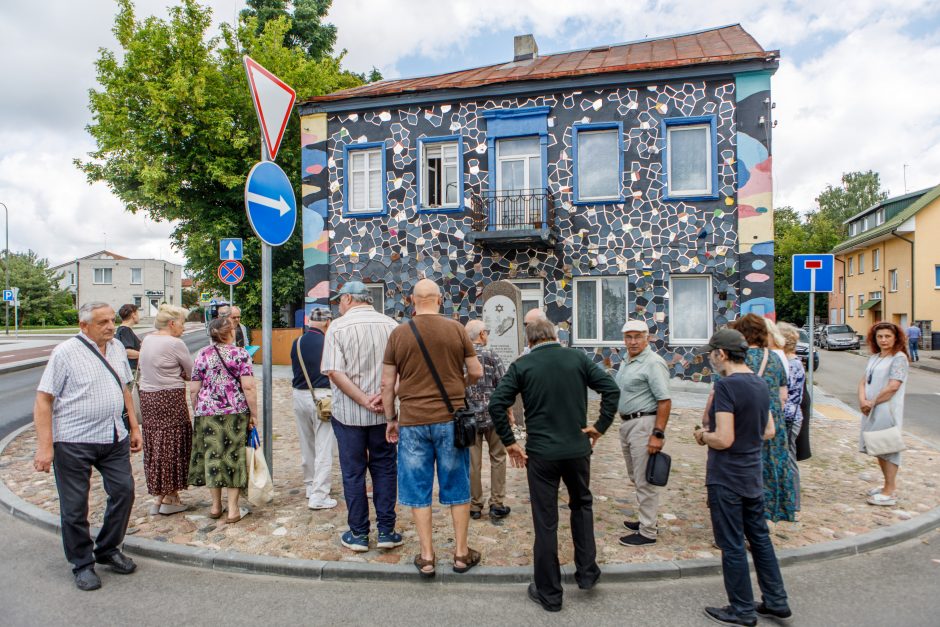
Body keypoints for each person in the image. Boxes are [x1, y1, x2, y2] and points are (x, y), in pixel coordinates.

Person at [489, 318, 620, 612]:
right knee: (582, 505)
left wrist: (510, 442)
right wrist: (599, 426)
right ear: (554, 335)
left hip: (542, 453)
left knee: (546, 521)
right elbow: (611, 389)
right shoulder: (577, 358)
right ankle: (586, 572)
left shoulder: (523, 366)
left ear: (530, 340)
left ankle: (550, 593)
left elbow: (497, 403)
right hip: (577, 449)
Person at [32, 302, 143, 591]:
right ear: (84, 326)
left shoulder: (117, 347)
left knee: (124, 491)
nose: (110, 326)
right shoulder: (65, 353)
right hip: (73, 440)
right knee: (75, 507)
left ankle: (107, 548)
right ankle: (82, 563)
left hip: (113, 435)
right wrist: (45, 447)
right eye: (102, 322)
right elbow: (44, 400)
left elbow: (124, 388)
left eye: (111, 320)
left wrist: (133, 427)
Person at [382, 279, 483, 577]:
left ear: (413, 300)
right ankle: (462, 553)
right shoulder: (456, 329)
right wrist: (456, 387)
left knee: (417, 487)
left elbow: (387, 383)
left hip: (412, 421)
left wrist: (391, 418)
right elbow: (476, 371)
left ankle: (427, 556)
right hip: (450, 419)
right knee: (457, 484)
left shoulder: (399, 334)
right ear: (440, 300)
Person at [694, 328, 791, 626]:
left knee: (733, 544)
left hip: (727, 475)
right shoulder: (761, 384)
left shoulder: (727, 386)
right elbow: (769, 431)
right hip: (752, 473)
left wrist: (702, 435)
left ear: (721, 354)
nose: (711, 359)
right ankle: (776, 600)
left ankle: (742, 609)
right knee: (759, 538)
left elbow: (723, 438)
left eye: (712, 354)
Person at [321, 281, 402, 552]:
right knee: (385, 469)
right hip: (384, 414)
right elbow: (403, 370)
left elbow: (334, 371)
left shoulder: (338, 327)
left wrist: (362, 399)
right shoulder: (391, 325)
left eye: (339, 301)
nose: (339, 306)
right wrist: (384, 395)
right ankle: (387, 531)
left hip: (349, 415)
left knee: (353, 473)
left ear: (347, 299)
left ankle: (358, 533)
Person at [187, 317, 257, 523]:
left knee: (212, 457)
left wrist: (198, 409)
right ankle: (233, 509)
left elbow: (193, 388)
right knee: (232, 458)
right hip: (234, 412)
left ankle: (215, 506)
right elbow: (249, 387)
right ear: (230, 332)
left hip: (207, 412)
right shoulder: (240, 354)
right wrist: (254, 414)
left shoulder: (202, 354)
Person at [728, 314, 795, 523]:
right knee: (768, 468)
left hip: (744, 419)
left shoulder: (738, 358)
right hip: (772, 419)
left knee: (741, 471)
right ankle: (765, 518)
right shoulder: (775, 357)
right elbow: (784, 394)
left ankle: (741, 521)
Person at [615, 320, 672, 546]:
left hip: (644, 422)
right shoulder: (628, 361)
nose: (633, 341)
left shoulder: (653, 363)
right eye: (628, 337)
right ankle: (645, 519)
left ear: (647, 337)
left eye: (637, 336)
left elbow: (664, 400)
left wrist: (657, 433)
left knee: (645, 480)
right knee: (636, 476)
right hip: (629, 423)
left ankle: (648, 531)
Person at [138, 304, 193, 516]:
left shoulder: (148, 340)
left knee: (157, 443)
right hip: (169, 396)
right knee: (173, 442)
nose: (184, 327)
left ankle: (163, 495)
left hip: (149, 397)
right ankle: (168, 496)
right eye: (182, 323)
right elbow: (191, 372)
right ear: (172, 323)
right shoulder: (174, 343)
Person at [464, 319, 511, 521]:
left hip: (469, 418)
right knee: (498, 458)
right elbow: (504, 387)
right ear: (482, 334)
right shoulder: (492, 356)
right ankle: (496, 503)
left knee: (473, 464)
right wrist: (509, 413)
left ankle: (475, 506)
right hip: (494, 416)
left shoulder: (461, 358)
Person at [859, 322, 910, 506]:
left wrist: (872, 403)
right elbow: (864, 381)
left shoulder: (899, 358)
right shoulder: (875, 357)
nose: (883, 340)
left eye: (887, 336)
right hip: (871, 409)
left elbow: (893, 386)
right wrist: (862, 400)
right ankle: (886, 486)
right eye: (880, 336)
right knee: (878, 448)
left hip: (886, 409)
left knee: (888, 448)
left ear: (896, 338)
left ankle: (890, 491)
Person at [291, 308, 337, 509]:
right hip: (322, 397)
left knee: (306, 443)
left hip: (299, 395)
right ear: (327, 323)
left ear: (310, 321)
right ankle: (320, 494)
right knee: (324, 446)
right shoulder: (328, 342)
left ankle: (310, 485)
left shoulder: (297, 342)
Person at [778, 322, 805, 511]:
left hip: (788, 417)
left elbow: (790, 396)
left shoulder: (793, 364)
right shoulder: (787, 362)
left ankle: (794, 502)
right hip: (787, 416)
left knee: (788, 458)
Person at [115, 303, 142, 370]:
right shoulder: (125, 330)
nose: (139, 317)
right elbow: (127, 352)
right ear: (133, 315)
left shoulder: (122, 329)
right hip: (131, 370)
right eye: (138, 314)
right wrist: (145, 354)